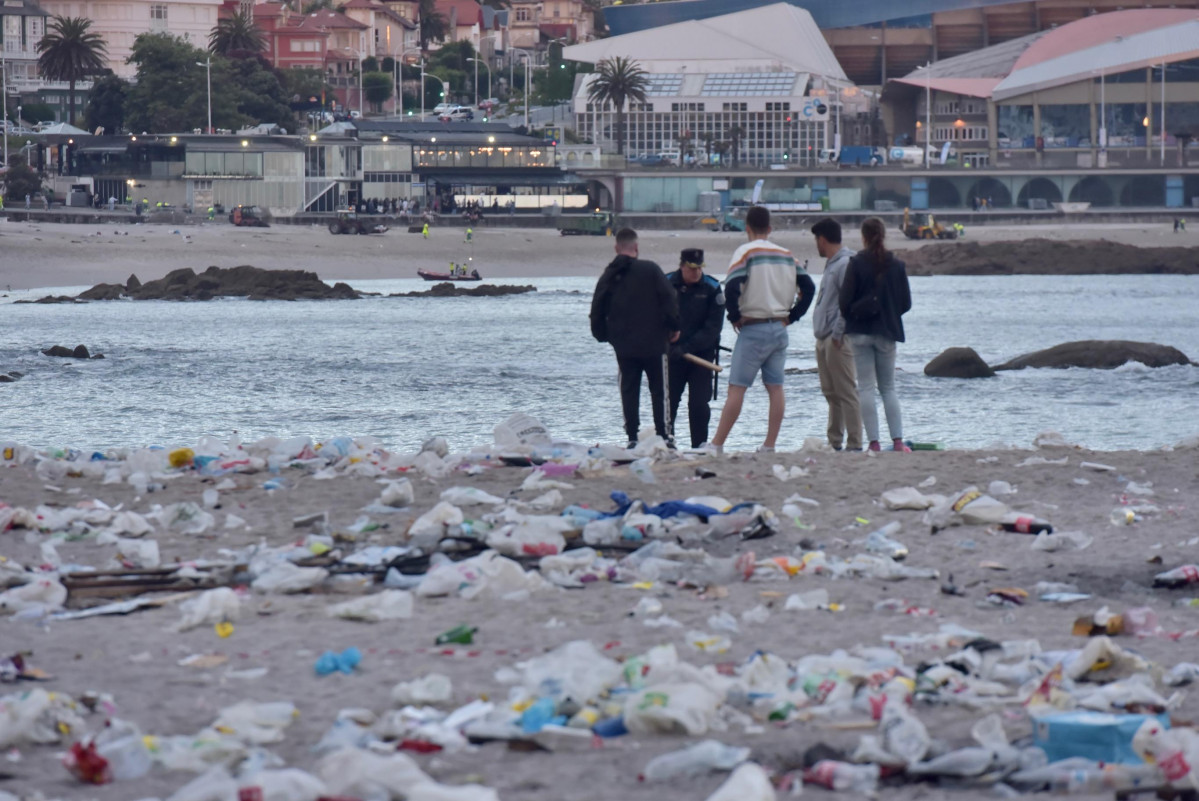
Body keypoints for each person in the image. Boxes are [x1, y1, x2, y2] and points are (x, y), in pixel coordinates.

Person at [708, 206, 816, 454]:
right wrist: (793, 316)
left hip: (753, 327)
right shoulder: (787, 254)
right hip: (779, 328)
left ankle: (717, 444)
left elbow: (733, 287)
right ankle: (769, 445)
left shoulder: (746, 252)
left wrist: (734, 317)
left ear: (746, 228)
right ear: (769, 228)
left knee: (737, 387)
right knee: (775, 387)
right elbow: (809, 288)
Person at [590, 228, 681, 448]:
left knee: (629, 390)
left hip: (624, 345)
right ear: (636, 248)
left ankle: (632, 436)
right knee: (660, 391)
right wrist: (674, 326)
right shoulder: (650, 270)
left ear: (616, 248)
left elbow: (597, 307)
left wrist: (604, 336)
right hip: (654, 342)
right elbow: (669, 298)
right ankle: (663, 434)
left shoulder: (609, 274)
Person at [839, 217, 913, 453]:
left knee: (866, 388)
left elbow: (844, 302)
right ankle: (898, 441)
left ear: (863, 236)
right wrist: (889, 313)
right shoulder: (897, 265)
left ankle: (873, 443)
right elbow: (906, 303)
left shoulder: (856, 263)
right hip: (887, 330)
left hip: (860, 331)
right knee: (888, 388)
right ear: (883, 235)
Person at [810, 218, 863, 452]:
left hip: (837, 337)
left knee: (846, 390)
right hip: (824, 336)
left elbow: (847, 302)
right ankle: (835, 440)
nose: (816, 245)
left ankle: (854, 442)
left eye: (816, 240)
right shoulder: (832, 264)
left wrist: (838, 333)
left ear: (822, 239)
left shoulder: (844, 264)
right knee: (831, 392)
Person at [666, 248, 725, 449]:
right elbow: (653, 317)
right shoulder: (666, 284)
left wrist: (687, 347)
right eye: (692, 269)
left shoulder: (712, 287)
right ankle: (667, 443)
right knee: (668, 403)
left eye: (699, 268)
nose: (696, 272)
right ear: (682, 266)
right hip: (671, 355)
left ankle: (699, 446)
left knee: (699, 405)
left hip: (702, 355)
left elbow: (713, 328)